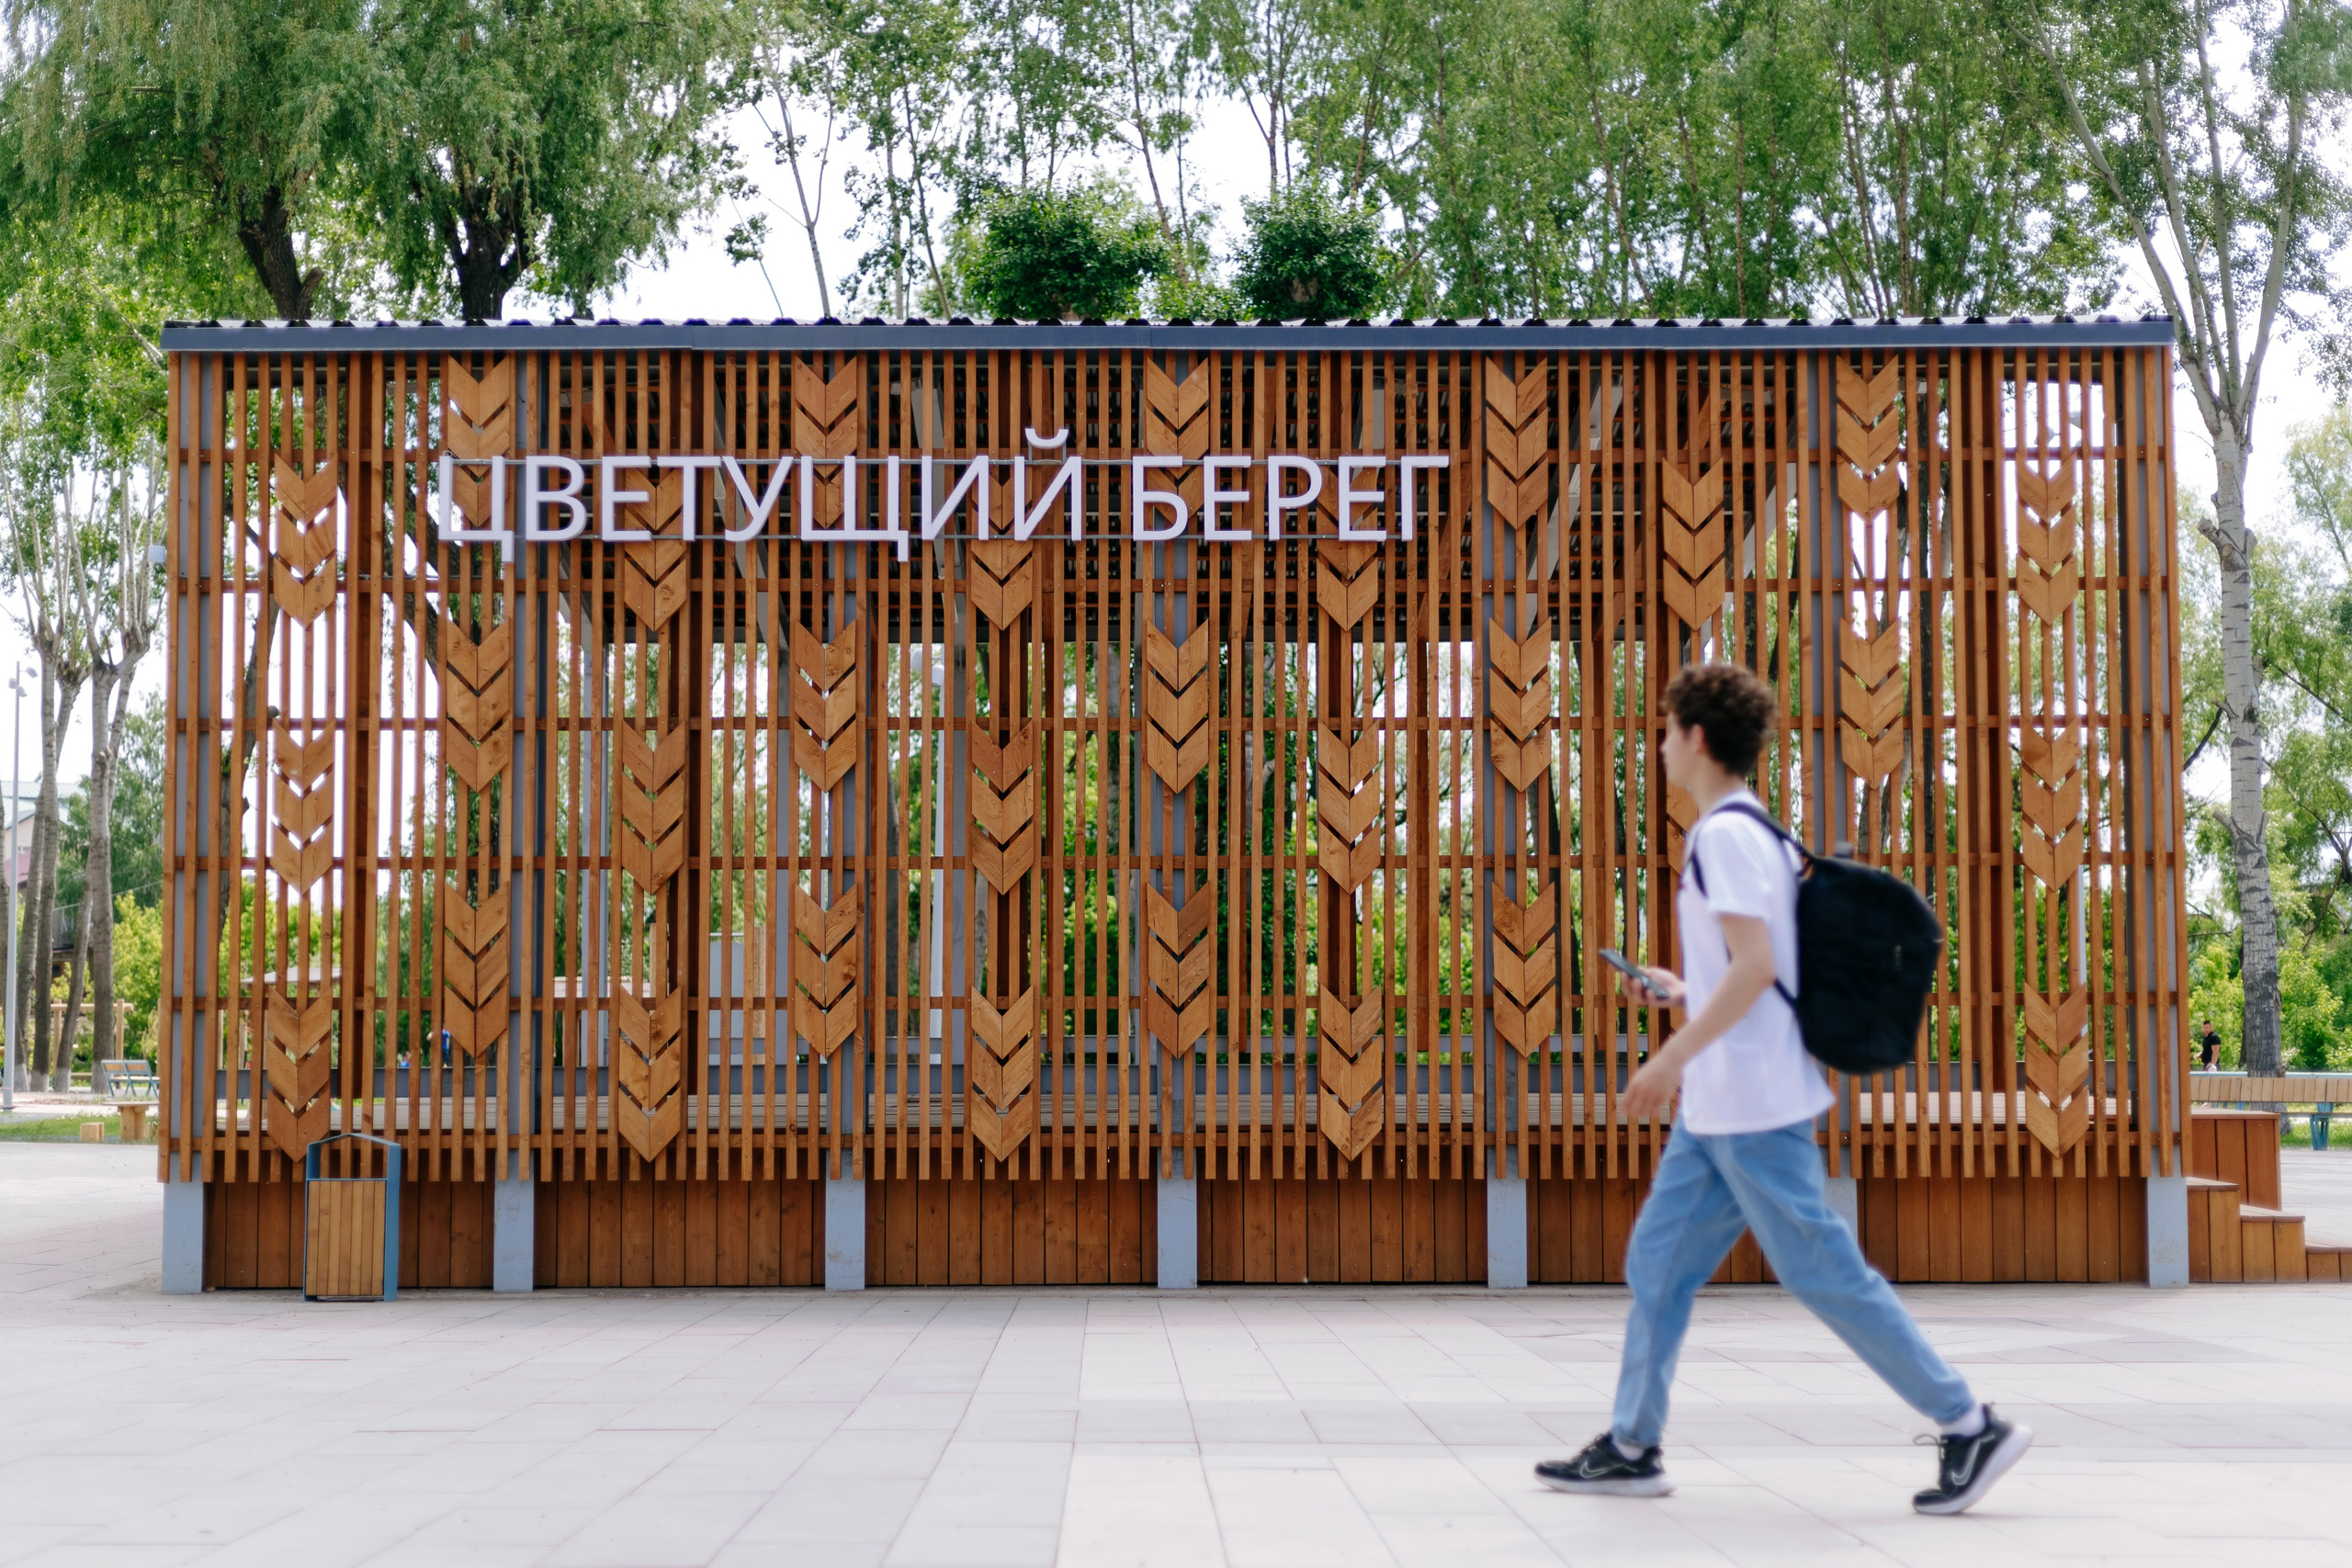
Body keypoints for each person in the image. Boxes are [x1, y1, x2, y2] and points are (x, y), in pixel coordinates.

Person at [1534, 662, 2031, 1517]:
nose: (1658, 745)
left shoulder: (1724, 837)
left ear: (1695, 737)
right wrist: (1680, 987)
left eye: (1663, 730)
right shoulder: (1754, 831)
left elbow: (1759, 969)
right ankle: (1630, 1444)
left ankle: (1967, 1420)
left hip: (1752, 1106)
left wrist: (1669, 1057)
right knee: (1658, 1261)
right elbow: (1758, 966)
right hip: (1723, 1108)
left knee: (1825, 1272)